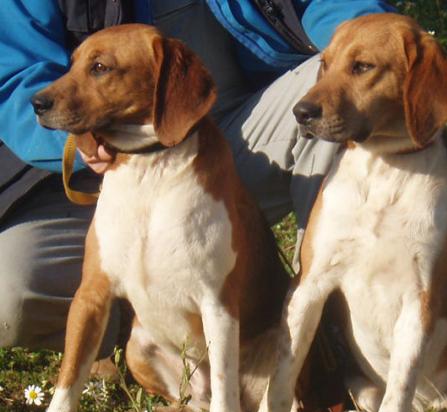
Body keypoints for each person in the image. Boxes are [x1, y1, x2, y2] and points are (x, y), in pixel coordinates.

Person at [0, 0, 394, 357]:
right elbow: (18, 80)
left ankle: (333, 327)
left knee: (337, 96)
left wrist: (375, 42)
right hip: (98, 176)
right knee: (11, 296)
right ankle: (133, 332)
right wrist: (77, 139)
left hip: (236, 148)